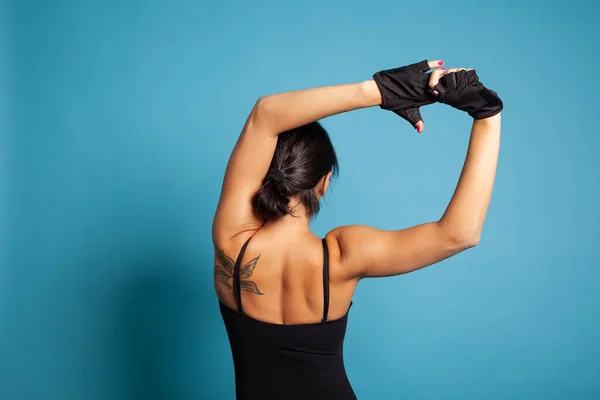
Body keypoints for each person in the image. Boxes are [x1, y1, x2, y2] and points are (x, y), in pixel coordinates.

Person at [212, 59, 503, 399]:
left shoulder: (231, 241)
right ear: (324, 183)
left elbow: (265, 115)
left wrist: (380, 90)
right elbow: (459, 234)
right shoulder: (341, 256)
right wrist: (487, 114)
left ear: (263, 176)